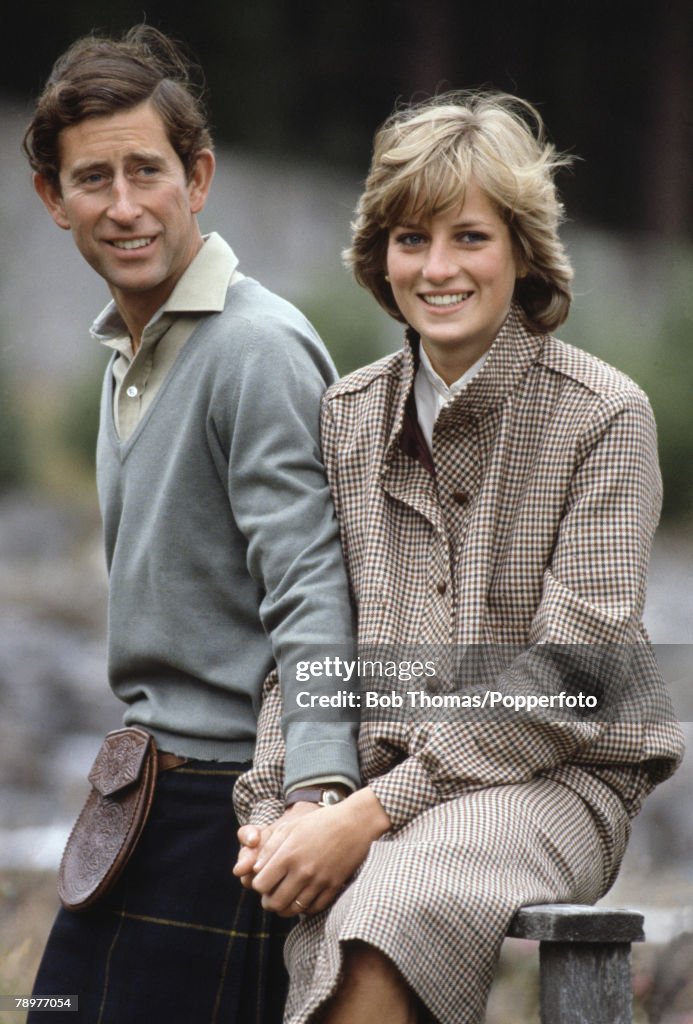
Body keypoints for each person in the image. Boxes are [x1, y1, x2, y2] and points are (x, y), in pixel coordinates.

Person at [233, 91, 685, 1024]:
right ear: (379, 257)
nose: (436, 268)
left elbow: (574, 676)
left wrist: (367, 814)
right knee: (274, 896)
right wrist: (282, 800)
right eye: (409, 239)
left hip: (559, 781)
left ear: (522, 252)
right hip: (378, 779)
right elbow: (309, 634)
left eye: (468, 237)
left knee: (382, 912)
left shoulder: (604, 415)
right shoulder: (346, 416)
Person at [22, 24, 361, 1024]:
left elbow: (312, 584)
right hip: (143, 792)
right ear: (53, 199)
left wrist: (317, 792)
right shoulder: (132, 351)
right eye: (92, 179)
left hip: (232, 806)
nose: (122, 206)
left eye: (146, 171)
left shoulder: (250, 349)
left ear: (198, 175)